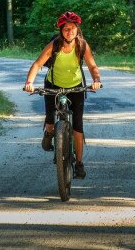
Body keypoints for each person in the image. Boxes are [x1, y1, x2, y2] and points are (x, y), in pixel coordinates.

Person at [23, 11, 102, 179]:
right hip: (53, 84)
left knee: (78, 127)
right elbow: (37, 64)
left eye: (72, 28)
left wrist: (96, 80)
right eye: (66, 28)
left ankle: (79, 163)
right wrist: (29, 83)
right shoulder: (55, 45)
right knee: (50, 118)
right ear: (61, 30)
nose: (69, 31)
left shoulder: (82, 45)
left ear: (77, 29)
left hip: (76, 86)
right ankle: (49, 133)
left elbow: (92, 66)